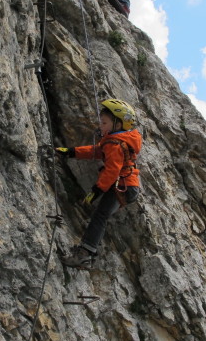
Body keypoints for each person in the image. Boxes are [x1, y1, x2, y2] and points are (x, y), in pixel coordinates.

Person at [56, 99, 142, 268]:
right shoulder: (119, 139)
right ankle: (86, 252)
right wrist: (72, 152)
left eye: (104, 122)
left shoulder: (115, 144)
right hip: (127, 186)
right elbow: (96, 151)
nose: (100, 126)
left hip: (122, 186)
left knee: (100, 216)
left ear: (118, 124)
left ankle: (84, 255)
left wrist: (96, 191)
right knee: (100, 215)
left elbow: (112, 170)